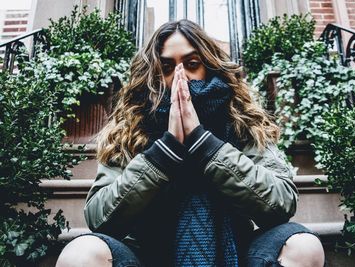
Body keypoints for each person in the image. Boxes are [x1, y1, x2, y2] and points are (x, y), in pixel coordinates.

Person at [56, 19, 325, 267]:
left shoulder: (240, 121)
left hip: (233, 252)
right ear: (153, 75)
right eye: (167, 67)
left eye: (192, 63)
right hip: (147, 255)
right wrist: (163, 152)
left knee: (304, 246)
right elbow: (99, 218)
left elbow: (281, 203)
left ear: (210, 67)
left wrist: (204, 143)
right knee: (81, 254)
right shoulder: (132, 127)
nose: (180, 77)